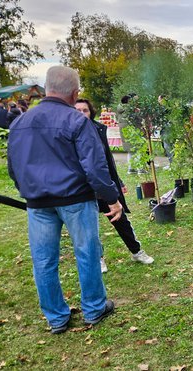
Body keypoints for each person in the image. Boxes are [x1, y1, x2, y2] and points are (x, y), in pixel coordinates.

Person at [7, 66, 120, 334]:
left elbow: (13, 167)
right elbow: (95, 167)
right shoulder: (77, 121)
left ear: (47, 88)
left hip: (38, 203)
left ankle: (56, 318)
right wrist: (111, 198)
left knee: (44, 261)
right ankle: (94, 308)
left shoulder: (20, 122)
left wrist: (28, 188)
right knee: (87, 253)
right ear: (75, 92)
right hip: (75, 199)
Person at [75, 99, 154, 272]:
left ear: (91, 112)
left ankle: (136, 251)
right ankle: (98, 258)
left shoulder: (98, 130)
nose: (81, 114)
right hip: (84, 188)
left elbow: (107, 161)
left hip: (104, 186)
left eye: (85, 110)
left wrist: (118, 181)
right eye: (77, 110)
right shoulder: (69, 133)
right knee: (89, 226)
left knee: (120, 220)